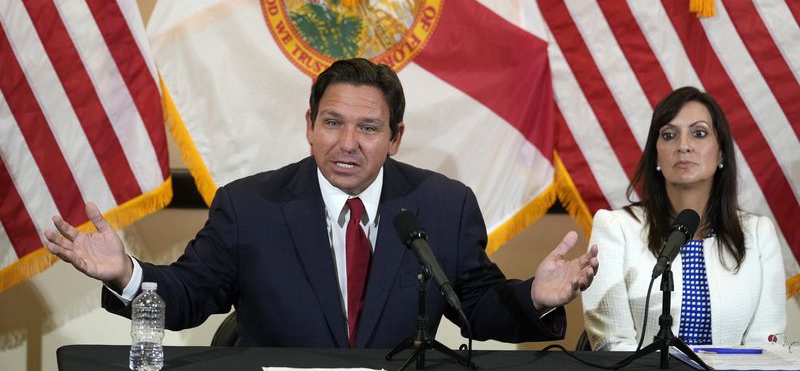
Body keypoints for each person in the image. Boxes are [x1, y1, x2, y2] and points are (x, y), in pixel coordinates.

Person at [45, 58, 598, 348]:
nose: (347, 143)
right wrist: (126, 274)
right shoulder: (250, 206)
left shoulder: (442, 205)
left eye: (368, 128)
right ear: (309, 127)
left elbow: (475, 305)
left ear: (395, 138)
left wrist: (536, 296)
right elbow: (191, 295)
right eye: (332, 123)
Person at [581, 87, 786, 351]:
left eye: (699, 133)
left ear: (722, 152)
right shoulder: (615, 228)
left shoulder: (758, 233)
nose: (683, 146)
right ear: (656, 154)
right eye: (669, 135)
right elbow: (612, 343)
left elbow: (767, 346)